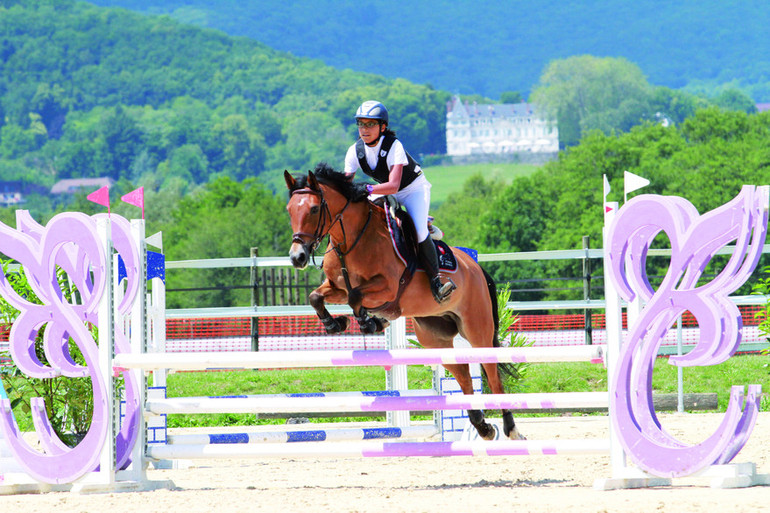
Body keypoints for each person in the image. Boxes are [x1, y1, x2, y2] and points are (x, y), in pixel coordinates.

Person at [344, 100, 455, 303]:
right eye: (361, 124)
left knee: (419, 232)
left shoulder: (394, 146)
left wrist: (367, 188)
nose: (364, 129)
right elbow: (345, 184)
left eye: (370, 124)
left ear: (382, 127)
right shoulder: (354, 151)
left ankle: (436, 283)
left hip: (413, 189)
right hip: (385, 190)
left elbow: (394, 185)